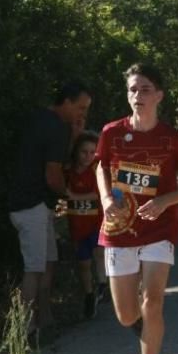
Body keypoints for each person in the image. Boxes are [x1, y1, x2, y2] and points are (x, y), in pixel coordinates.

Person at [96, 64, 178, 354]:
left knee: (153, 300)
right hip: (119, 229)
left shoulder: (172, 139)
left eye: (145, 89)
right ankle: (148, 332)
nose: (137, 96)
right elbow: (101, 165)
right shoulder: (112, 133)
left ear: (159, 95)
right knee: (127, 313)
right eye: (132, 89)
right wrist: (104, 198)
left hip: (160, 229)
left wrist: (164, 202)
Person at [8, 81, 91, 334]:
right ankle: (26, 328)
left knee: (49, 262)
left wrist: (75, 136)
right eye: (80, 108)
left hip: (37, 205)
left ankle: (46, 320)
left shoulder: (42, 119)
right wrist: (71, 195)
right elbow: (53, 174)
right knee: (34, 268)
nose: (82, 114)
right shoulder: (55, 127)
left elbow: (55, 157)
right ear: (66, 102)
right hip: (30, 205)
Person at [64, 130, 106, 320]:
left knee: (98, 253)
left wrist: (74, 196)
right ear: (76, 152)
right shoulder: (68, 171)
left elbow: (96, 195)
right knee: (83, 263)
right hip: (77, 225)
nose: (88, 156)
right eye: (84, 152)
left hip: (96, 223)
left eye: (92, 152)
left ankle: (103, 285)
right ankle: (89, 294)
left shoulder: (96, 170)